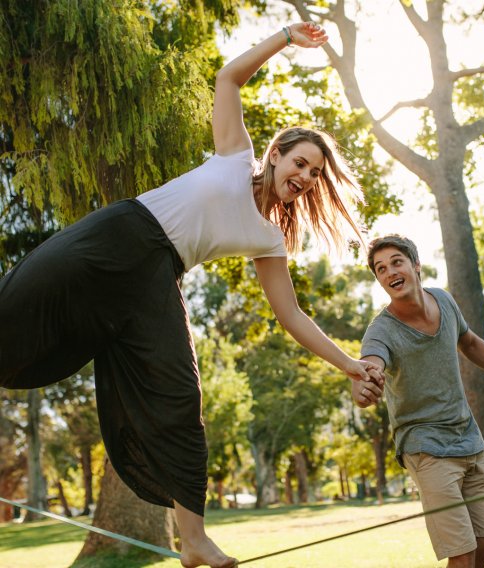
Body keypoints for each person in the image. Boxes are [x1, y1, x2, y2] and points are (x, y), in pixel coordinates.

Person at [0, 22, 384, 568]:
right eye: (300, 162)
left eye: (315, 175)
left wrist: (347, 363)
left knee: (180, 395)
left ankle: (194, 541)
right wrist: (284, 38)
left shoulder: (270, 238)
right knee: (11, 313)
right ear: (276, 155)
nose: (305, 177)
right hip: (114, 238)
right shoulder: (233, 156)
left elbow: (291, 313)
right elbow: (228, 78)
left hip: (155, 279)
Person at [352, 234, 484, 568]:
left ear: (415, 266)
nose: (390, 271)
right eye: (380, 269)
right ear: (379, 280)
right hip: (425, 446)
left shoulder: (444, 300)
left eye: (397, 261)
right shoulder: (380, 330)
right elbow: (371, 363)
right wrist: (366, 381)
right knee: (463, 552)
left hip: (468, 438)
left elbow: (468, 341)